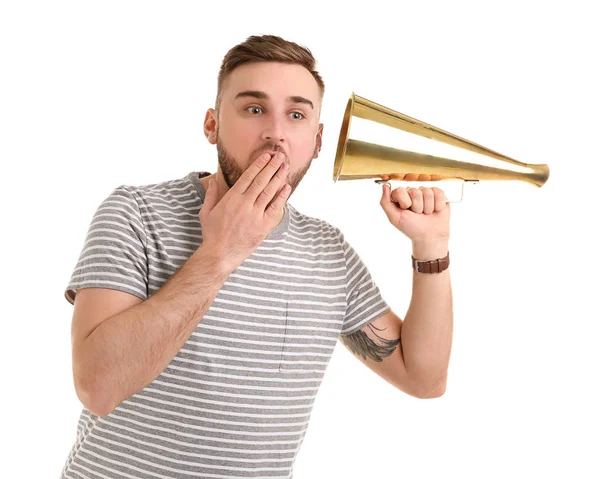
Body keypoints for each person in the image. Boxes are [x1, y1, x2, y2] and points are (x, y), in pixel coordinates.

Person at [60, 34, 453, 479]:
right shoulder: (135, 213)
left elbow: (423, 379)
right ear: (211, 125)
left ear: (318, 140)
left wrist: (431, 248)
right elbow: (97, 387)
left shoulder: (329, 252)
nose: (276, 132)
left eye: (297, 114)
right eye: (253, 109)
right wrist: (221, 252)